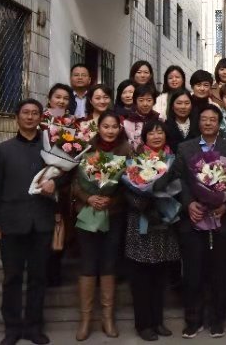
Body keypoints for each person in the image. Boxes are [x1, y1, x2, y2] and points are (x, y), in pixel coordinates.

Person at [167, 106, 226, 338]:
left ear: (219, 123)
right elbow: (179, 179)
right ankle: (193, 320)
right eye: (204, 119)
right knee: (193, 272)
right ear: (198, 123)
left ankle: (217, 319)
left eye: (213, 120)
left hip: (221, 218)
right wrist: (189, 203)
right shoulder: (185, 147)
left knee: (220, 271)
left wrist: (225, 205)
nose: (208, 123)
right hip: (194, 217)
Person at [0, 99, 55, 345]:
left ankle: (34, 327)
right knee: (12, 278)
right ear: (17, 117)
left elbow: (64, 176)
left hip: (41, 222)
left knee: (38, 277)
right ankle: (12, 328)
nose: (30, 117)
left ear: (41, 118)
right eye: (25, 113)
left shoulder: (50, 150)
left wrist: (55, 183)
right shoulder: (4, 150)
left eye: (35, 113)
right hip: (11, 223)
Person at [72, 110, 131, 340]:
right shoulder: (85, 148)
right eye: (106, 126)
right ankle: (85, 319)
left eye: (114, 126)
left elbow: (130, 184)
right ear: (99, 128)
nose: (110, 130)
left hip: (113, 214)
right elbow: (74, 182)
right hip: (86, 213)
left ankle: (108, 318)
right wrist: (89, 198)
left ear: (120, 128)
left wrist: (111, 200)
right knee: (87, 263)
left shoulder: (126, 150)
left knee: (108, 263)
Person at [124, 121, 179, 341]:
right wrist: (146, 206)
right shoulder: (135, 159)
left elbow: (178, 186)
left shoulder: (172, 160)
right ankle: (143, 324)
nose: (156, 136)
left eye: (160, 132)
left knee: (160, 276)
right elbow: (128, 190)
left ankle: (158, 321)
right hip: (142, 223)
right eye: (152, 132)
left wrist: (166, 206)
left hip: (164, 223)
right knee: (141, 278)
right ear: (144, 137)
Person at [42, 83, 77, 289]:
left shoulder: (72, 124)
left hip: (62, 183)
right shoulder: (40, 120)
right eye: (58, 97)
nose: (61, 101)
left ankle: (54, 273)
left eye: (65, 98)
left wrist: (59, 176)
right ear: (50, 99)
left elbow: (75, 153)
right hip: (40, 180)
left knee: (60, 228)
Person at [123, 84, 161, 150]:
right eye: (141, 100)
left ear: (154, 102)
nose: (145, 104)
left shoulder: (159, 119)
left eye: (149, 100)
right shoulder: (127, 122)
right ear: (135, 101)